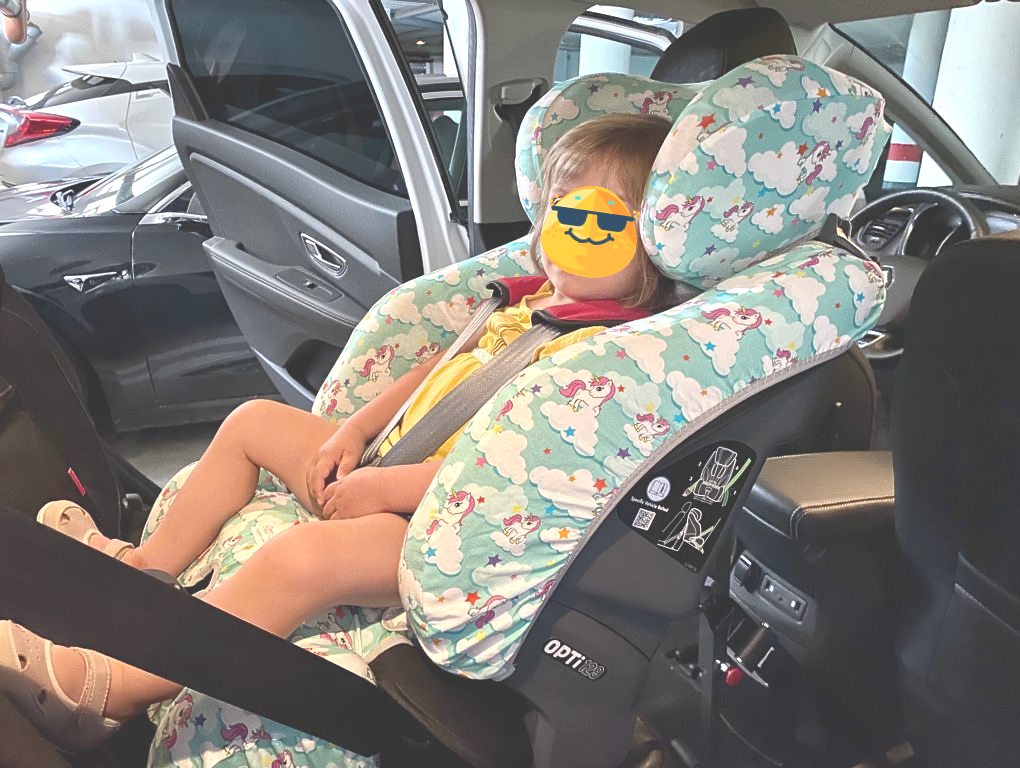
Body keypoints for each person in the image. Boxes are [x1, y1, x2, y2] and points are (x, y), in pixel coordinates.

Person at [0, 112, 676, 751]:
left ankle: (110, 693)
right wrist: (354, 430)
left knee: (303, 559)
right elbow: (438, 370)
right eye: (562, 210)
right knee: (253, 420)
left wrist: (387, 490)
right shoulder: (532, 302)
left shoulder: (602, 359)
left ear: (653, 241)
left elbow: (512, 471)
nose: (571, 231)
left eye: (601, 221)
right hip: (393, 464)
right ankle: (148, 569)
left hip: (449, 528)